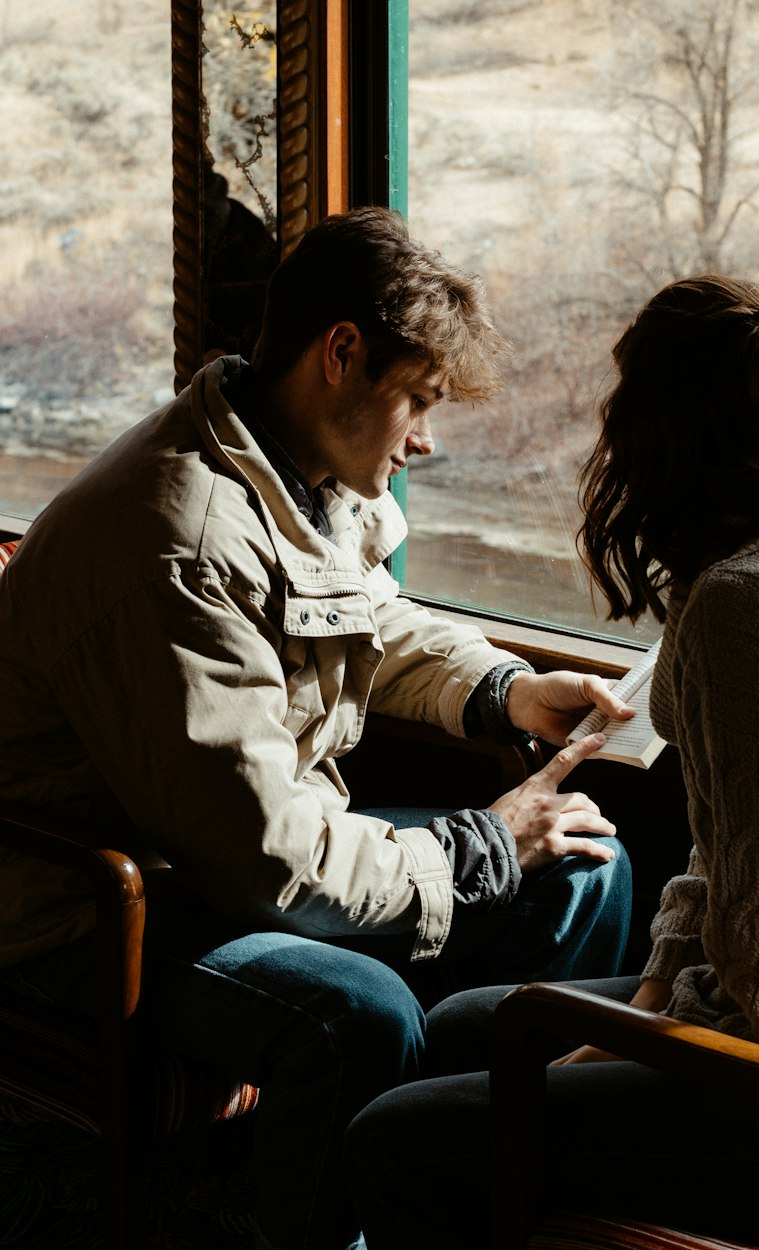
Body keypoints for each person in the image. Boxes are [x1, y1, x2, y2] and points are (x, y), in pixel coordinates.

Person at [0, 207, 635, 1250]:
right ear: (339, 354)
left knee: (584, 868)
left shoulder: (304, 474)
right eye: (418, 401)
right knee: (356, 1010)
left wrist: (505, 690)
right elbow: (265, 862)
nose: (426, 439)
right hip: (102, 901)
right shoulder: (176, 536)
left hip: (225, 840)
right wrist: (480, 844)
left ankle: (454, 1197)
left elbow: (364, 618)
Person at [345, 275, 759, 1249]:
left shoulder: (754, 608)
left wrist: (619, 1049)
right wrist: (651, 997)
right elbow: (741, 863)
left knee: (393, 1140)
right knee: (464, 1026)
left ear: (646, 436)